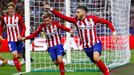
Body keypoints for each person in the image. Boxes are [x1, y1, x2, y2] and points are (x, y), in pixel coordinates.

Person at [44, 4, 117, 75]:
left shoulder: (92, 19)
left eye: (78, 12)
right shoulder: (75, 21)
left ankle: (107, 72)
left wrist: (114, 33)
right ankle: (105, 70)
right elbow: (62, 16)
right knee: (96, 63)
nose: (76, 14)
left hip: (95, 43)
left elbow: (107, 22)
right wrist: (51, 9)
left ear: (84, 12)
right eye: (76, 12)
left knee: (96, 58)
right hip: (86, 47)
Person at [0, 2, 26, 75]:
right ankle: (20, 72)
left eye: (11, 9)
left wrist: (21, 35)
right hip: (11, 39)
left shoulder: (18, 17)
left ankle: (9, 62)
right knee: (15, 55)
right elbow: (1, 26)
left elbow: (24, 27)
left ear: (14, 9)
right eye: (9, 9)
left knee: (19, 56)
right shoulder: (4, 18)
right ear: (7, 10)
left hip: (18, 39)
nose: (10, 10)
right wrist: (0, 34)